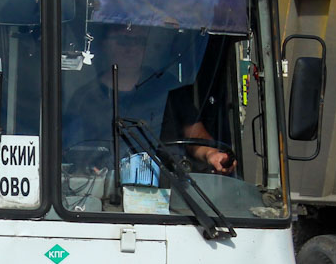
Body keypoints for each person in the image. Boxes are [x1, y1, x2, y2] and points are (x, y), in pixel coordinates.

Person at [64, 23, 233, 173]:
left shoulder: (168, 87)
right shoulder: (84, 98)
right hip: (104, 198)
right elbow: (73, 153)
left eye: (138, 41)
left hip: (169, 194)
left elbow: (195, 135)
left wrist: (211, 154)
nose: (131, 48)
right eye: (123, 40)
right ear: (104, 44)